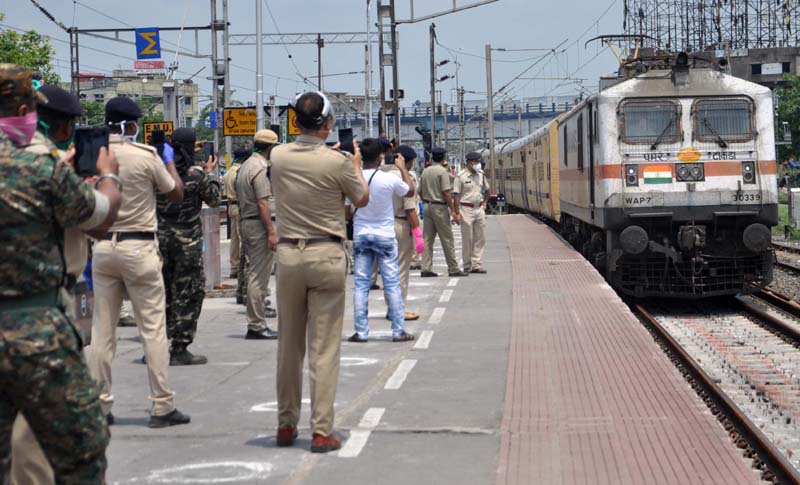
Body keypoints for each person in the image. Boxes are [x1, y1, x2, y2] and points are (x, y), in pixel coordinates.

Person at [0, 64, 121, 482]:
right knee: (79, 451)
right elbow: (100, 216)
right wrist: (108, 176)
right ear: (24, 110)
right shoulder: (41, 166)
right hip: (36, 328)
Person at [271, 91, 369, 453]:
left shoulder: (277, 156)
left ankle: (285, 424)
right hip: (326, 254)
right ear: (328, 124)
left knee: (289, 344)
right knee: (324, 347)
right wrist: (354, 164)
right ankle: (322, 430)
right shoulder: (337, 162)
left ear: (295, 122)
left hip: (288, 255)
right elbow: (361, 198)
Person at [89, 96, 191, 428]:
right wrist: (168, 161)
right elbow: (176, 193)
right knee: (153, 330)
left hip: (103, 248)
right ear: (132, 125)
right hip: (139, 247)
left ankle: (100, 405)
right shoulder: (145, 156)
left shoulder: (95, 155)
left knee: (102, 332)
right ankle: (162, 405)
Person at [157, 128, 220, 365]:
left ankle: (155, 346)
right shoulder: (196, 176)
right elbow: (214, 199)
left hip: (160, 243)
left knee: (161, 294)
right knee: (189, 293)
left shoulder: (160, 173)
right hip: (188, 245)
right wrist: (209, 173)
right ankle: (180, 347)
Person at [347, 139, 416, 343]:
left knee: (361, 285)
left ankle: (361, 332)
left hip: (361, 234)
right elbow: (410, 190)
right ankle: (398, 330)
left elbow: (345, 213)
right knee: (392, 283)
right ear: (380, 157)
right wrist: (402, 168)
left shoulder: (354, 179)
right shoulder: (388, 179)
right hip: (385, 235)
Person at [235, 129, 280, 339]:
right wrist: (271, 231)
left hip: (248, 221)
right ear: (270, 147)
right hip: (259, 225)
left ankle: (256, 322)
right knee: (259, 276)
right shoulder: (260, 168)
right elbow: (263, 202)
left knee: (255, 271)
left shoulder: (246, 165)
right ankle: (256, 325)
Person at [382, 144, 424, 322]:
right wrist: (418, 233)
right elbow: (410, 209)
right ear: (407, 161)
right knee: (401, 270)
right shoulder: (404, 178)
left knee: (389, 269)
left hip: (385, 224)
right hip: (401, 225)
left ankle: (391, 307)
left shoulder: (384, 175)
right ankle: (397, 309)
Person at [419, 147, 469, 277]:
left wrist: (426, 200)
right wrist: (453, 210)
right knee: (447, 239)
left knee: (427, 239)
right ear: (443, 158)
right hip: (439, 208)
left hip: (427, 206)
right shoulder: (443, 172)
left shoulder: (425, 171)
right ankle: (453, 268)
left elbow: (420, 191)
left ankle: (426, 268)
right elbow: (446, 192)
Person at [454, 151, 491, 274]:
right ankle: (467, 265)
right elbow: (456, 195)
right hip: (466, 209)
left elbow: (488, 190)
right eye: (477, 162)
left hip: (479, 209)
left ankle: (476, 264)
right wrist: (456, 213)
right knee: (468, 239)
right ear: (470, 162)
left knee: (480, 238)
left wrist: (485, 203)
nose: (479, 164)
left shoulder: (481, 174)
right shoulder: (461, 176)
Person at [226, 147, 250, 281]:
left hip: (231, 206)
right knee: (243, 238)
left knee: (234, 239)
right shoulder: (240, 172)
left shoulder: (229, 171)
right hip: (240, 206)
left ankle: (234, 268)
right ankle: (243, 268)